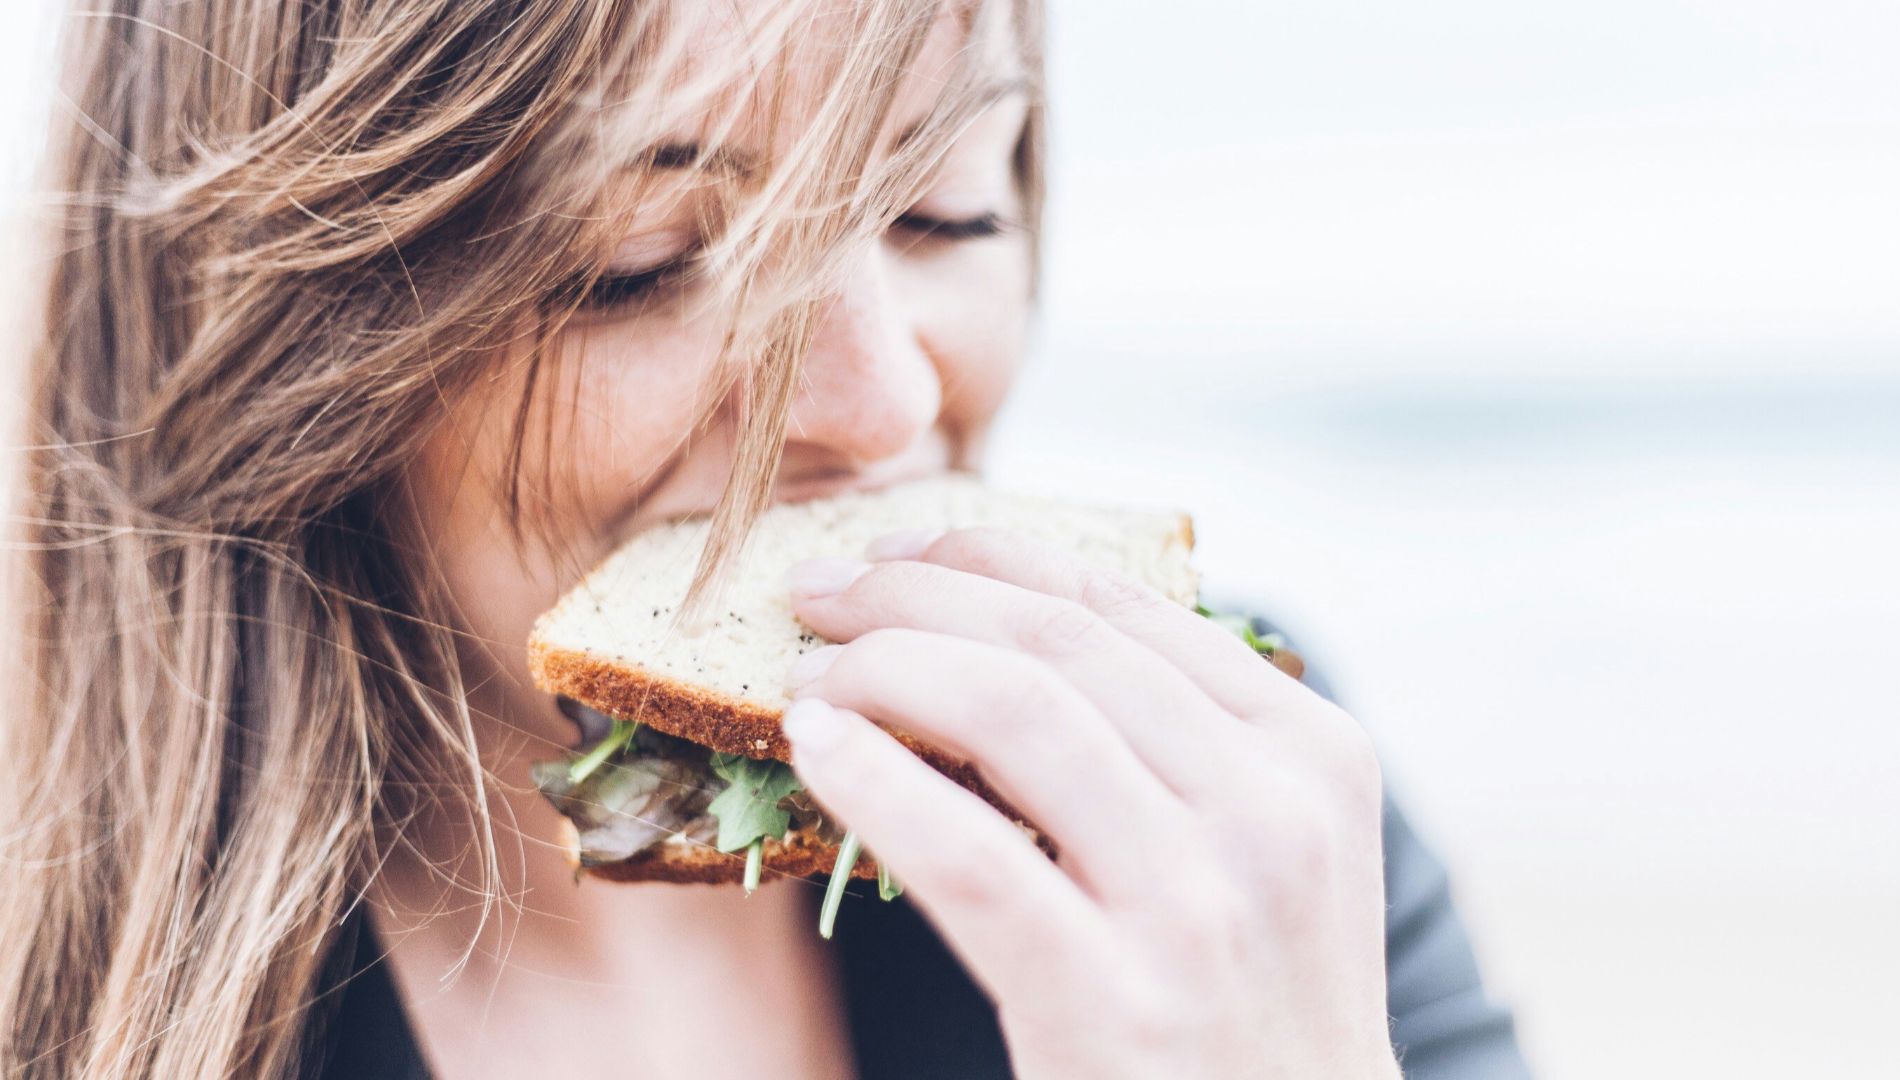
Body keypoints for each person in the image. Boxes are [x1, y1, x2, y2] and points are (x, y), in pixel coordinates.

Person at [0, 1, 1530, 1077]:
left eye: (944, 213)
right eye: (638, 263)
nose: (882, 401)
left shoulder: (1227, 822)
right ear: (282, 340)